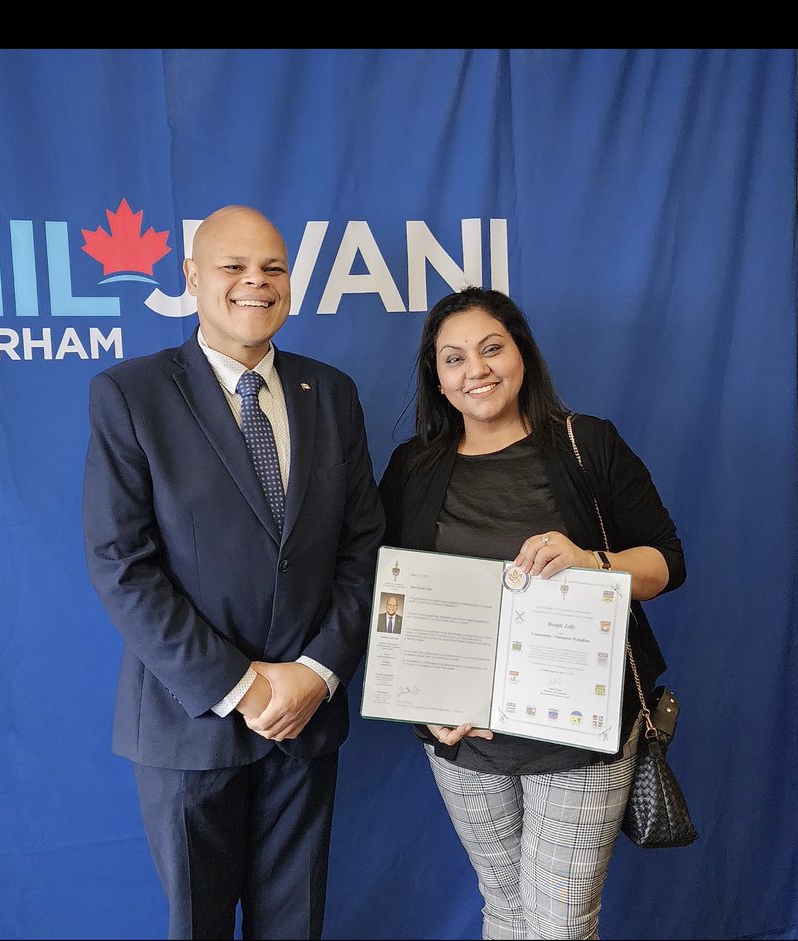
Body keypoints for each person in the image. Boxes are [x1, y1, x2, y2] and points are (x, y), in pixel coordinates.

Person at [82, 205, 386, 940]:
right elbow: (121, 563)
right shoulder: (131, 394)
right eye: (234, 266)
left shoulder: (332, 393)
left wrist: (316, 672)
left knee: (295, 926)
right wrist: (242, 686)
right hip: (191, 721)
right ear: (192, 277)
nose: (257, 281)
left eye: (273, 268)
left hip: (306, 718)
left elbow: (364, 547)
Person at [377, 287, 685, 940]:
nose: (476, 370)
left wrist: (590, 562)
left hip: (579, 735)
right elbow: (391, 595)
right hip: (465, 741)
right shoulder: (412, 467)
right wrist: (418, 700)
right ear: (437, 377)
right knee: (506, 909)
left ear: (522, 352)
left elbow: (665, 564)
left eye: (492, 348)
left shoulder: (586, 444)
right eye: (454, 358)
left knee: (560, 925)